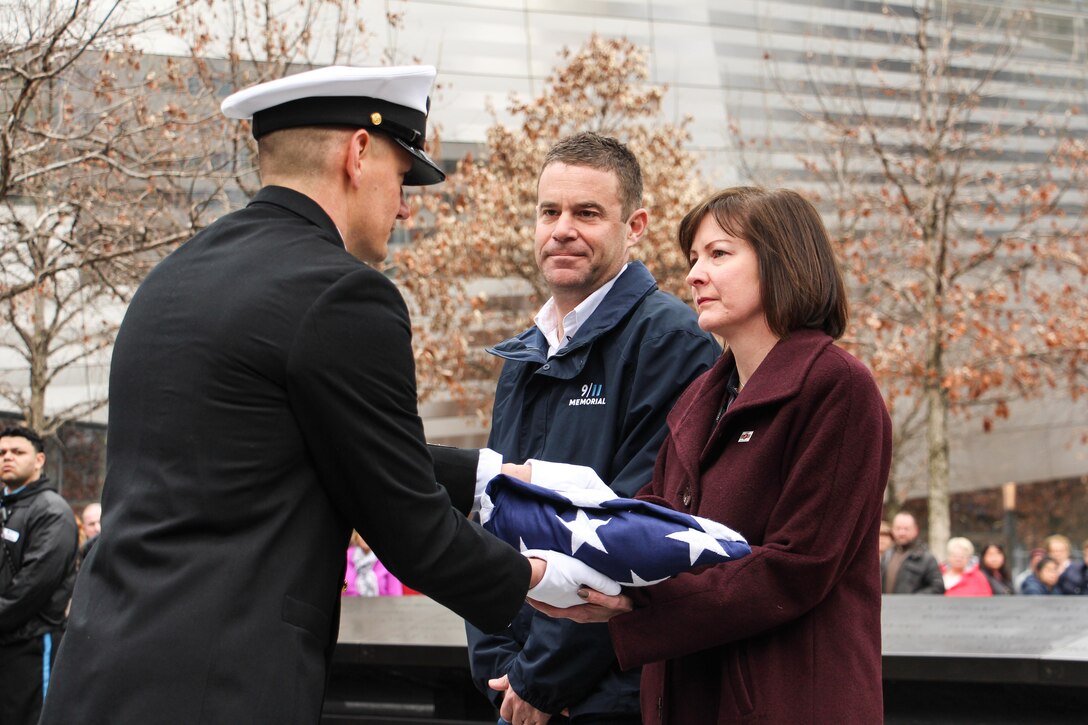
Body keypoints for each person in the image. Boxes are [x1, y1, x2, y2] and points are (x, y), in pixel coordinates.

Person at [38, 66, 608, 725]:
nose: (403, 206)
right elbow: (411, 529)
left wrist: (492, 475)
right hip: (219, 685)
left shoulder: (172, 278)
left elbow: (296, 447)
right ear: (358, 153)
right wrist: (554, 581)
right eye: (401, 177)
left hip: (98, 671)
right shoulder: (343, 294)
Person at [537, 187, 893, 723]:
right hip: (683, 696)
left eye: (718, 254)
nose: (695, 275)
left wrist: (639, 605)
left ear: (782, 263)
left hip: (788, 702)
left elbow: (797, 567)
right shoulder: (699, 398)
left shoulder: (837, 387)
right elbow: (648, 525)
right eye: (694, 259)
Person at [467, 133, 721, 725]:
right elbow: (493, 517)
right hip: (515, 690)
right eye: (549, 211)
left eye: (587, 213)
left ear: (634, 226)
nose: (561, 229)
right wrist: (497, 668)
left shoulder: (671, 342)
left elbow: (629, 532)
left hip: (605, 698)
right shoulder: (525, 355)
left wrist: (537, 682)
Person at [0, 426, 79, 725]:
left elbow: (32, 587)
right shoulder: (6, 505)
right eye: (2, 452)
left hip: (32, 645)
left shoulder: (52, 512)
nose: (7, 458)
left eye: (17, 452)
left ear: (39, 460)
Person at [882, 511, 945, 594]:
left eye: (906, 529)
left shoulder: (927, 558)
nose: (901, 533)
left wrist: (913, 600)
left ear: (916, 530)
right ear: (893, 530)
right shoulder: (886, 555)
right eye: (898, 528)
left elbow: (938, 587)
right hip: (886, 606)